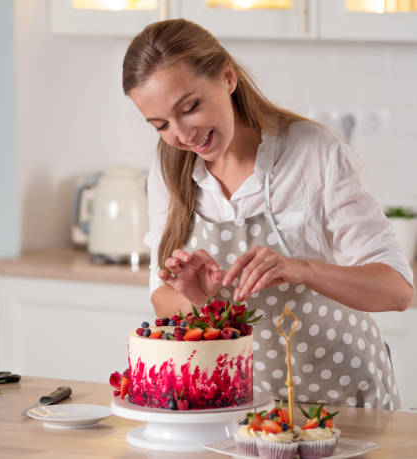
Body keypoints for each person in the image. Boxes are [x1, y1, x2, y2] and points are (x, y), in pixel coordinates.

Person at [122, 18, 414, 410]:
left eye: (189, 107)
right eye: (160, 125)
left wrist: (300, 269)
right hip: (244, 407)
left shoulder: (314, 152)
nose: (183, 135)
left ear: (227, 78)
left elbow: (397, 290)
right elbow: (160, 300)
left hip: (347, 400)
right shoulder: (170, 169)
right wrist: (198, 300)